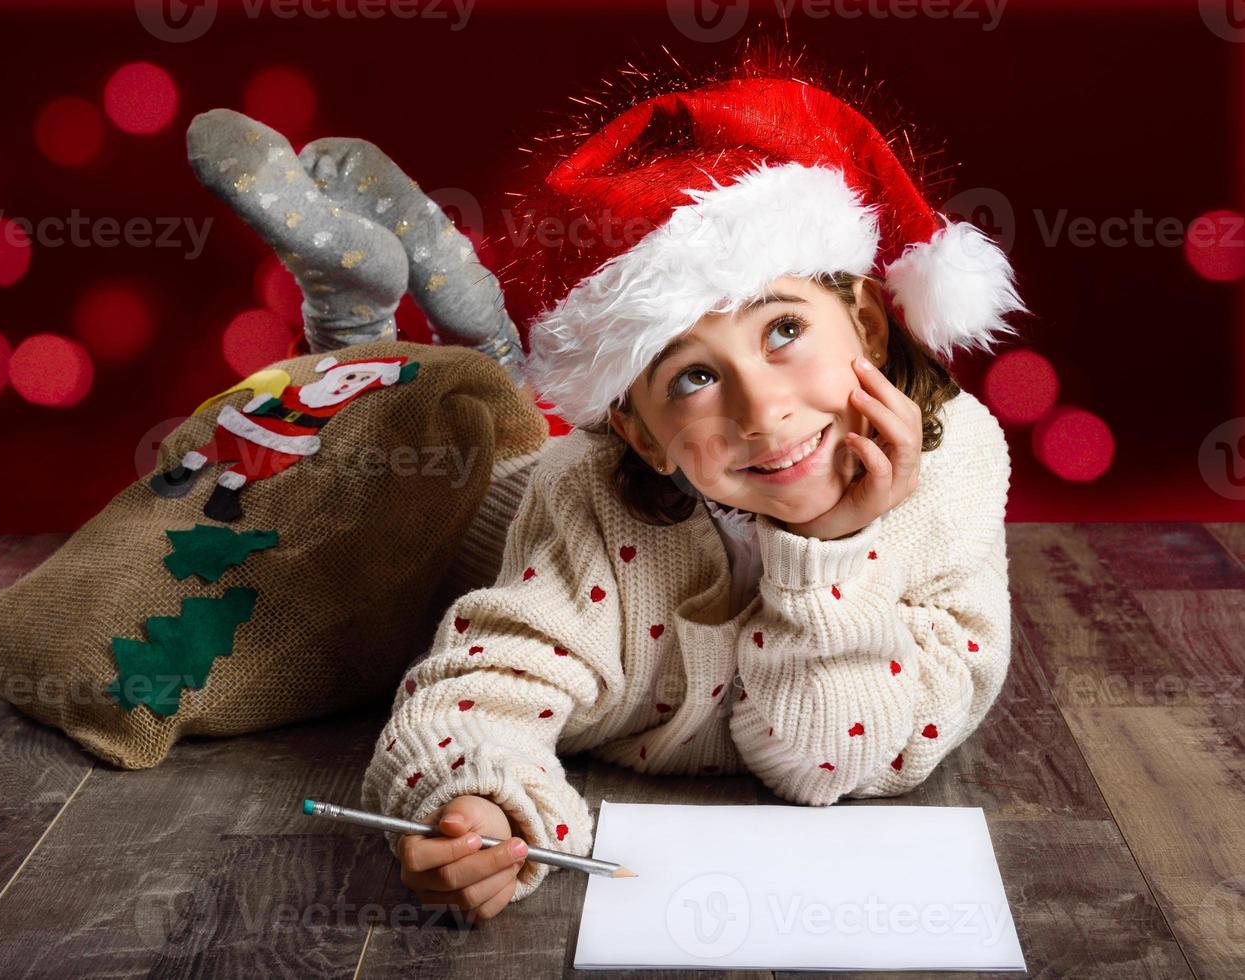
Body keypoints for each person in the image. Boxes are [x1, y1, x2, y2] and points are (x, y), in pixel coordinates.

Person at [360, 64, 1027, 922]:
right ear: (638, 432)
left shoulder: (957, 462)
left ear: (863, 321)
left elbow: (830, 761)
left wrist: (825, 548)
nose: (763, 413)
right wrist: (477, 801)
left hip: (527, 454)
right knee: (383, 446)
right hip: (446, 513)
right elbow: (484, 682)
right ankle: (363, 322)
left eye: (783, 329)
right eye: (695, 377)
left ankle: (437, 316)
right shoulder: (586, 494)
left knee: (482, 375)